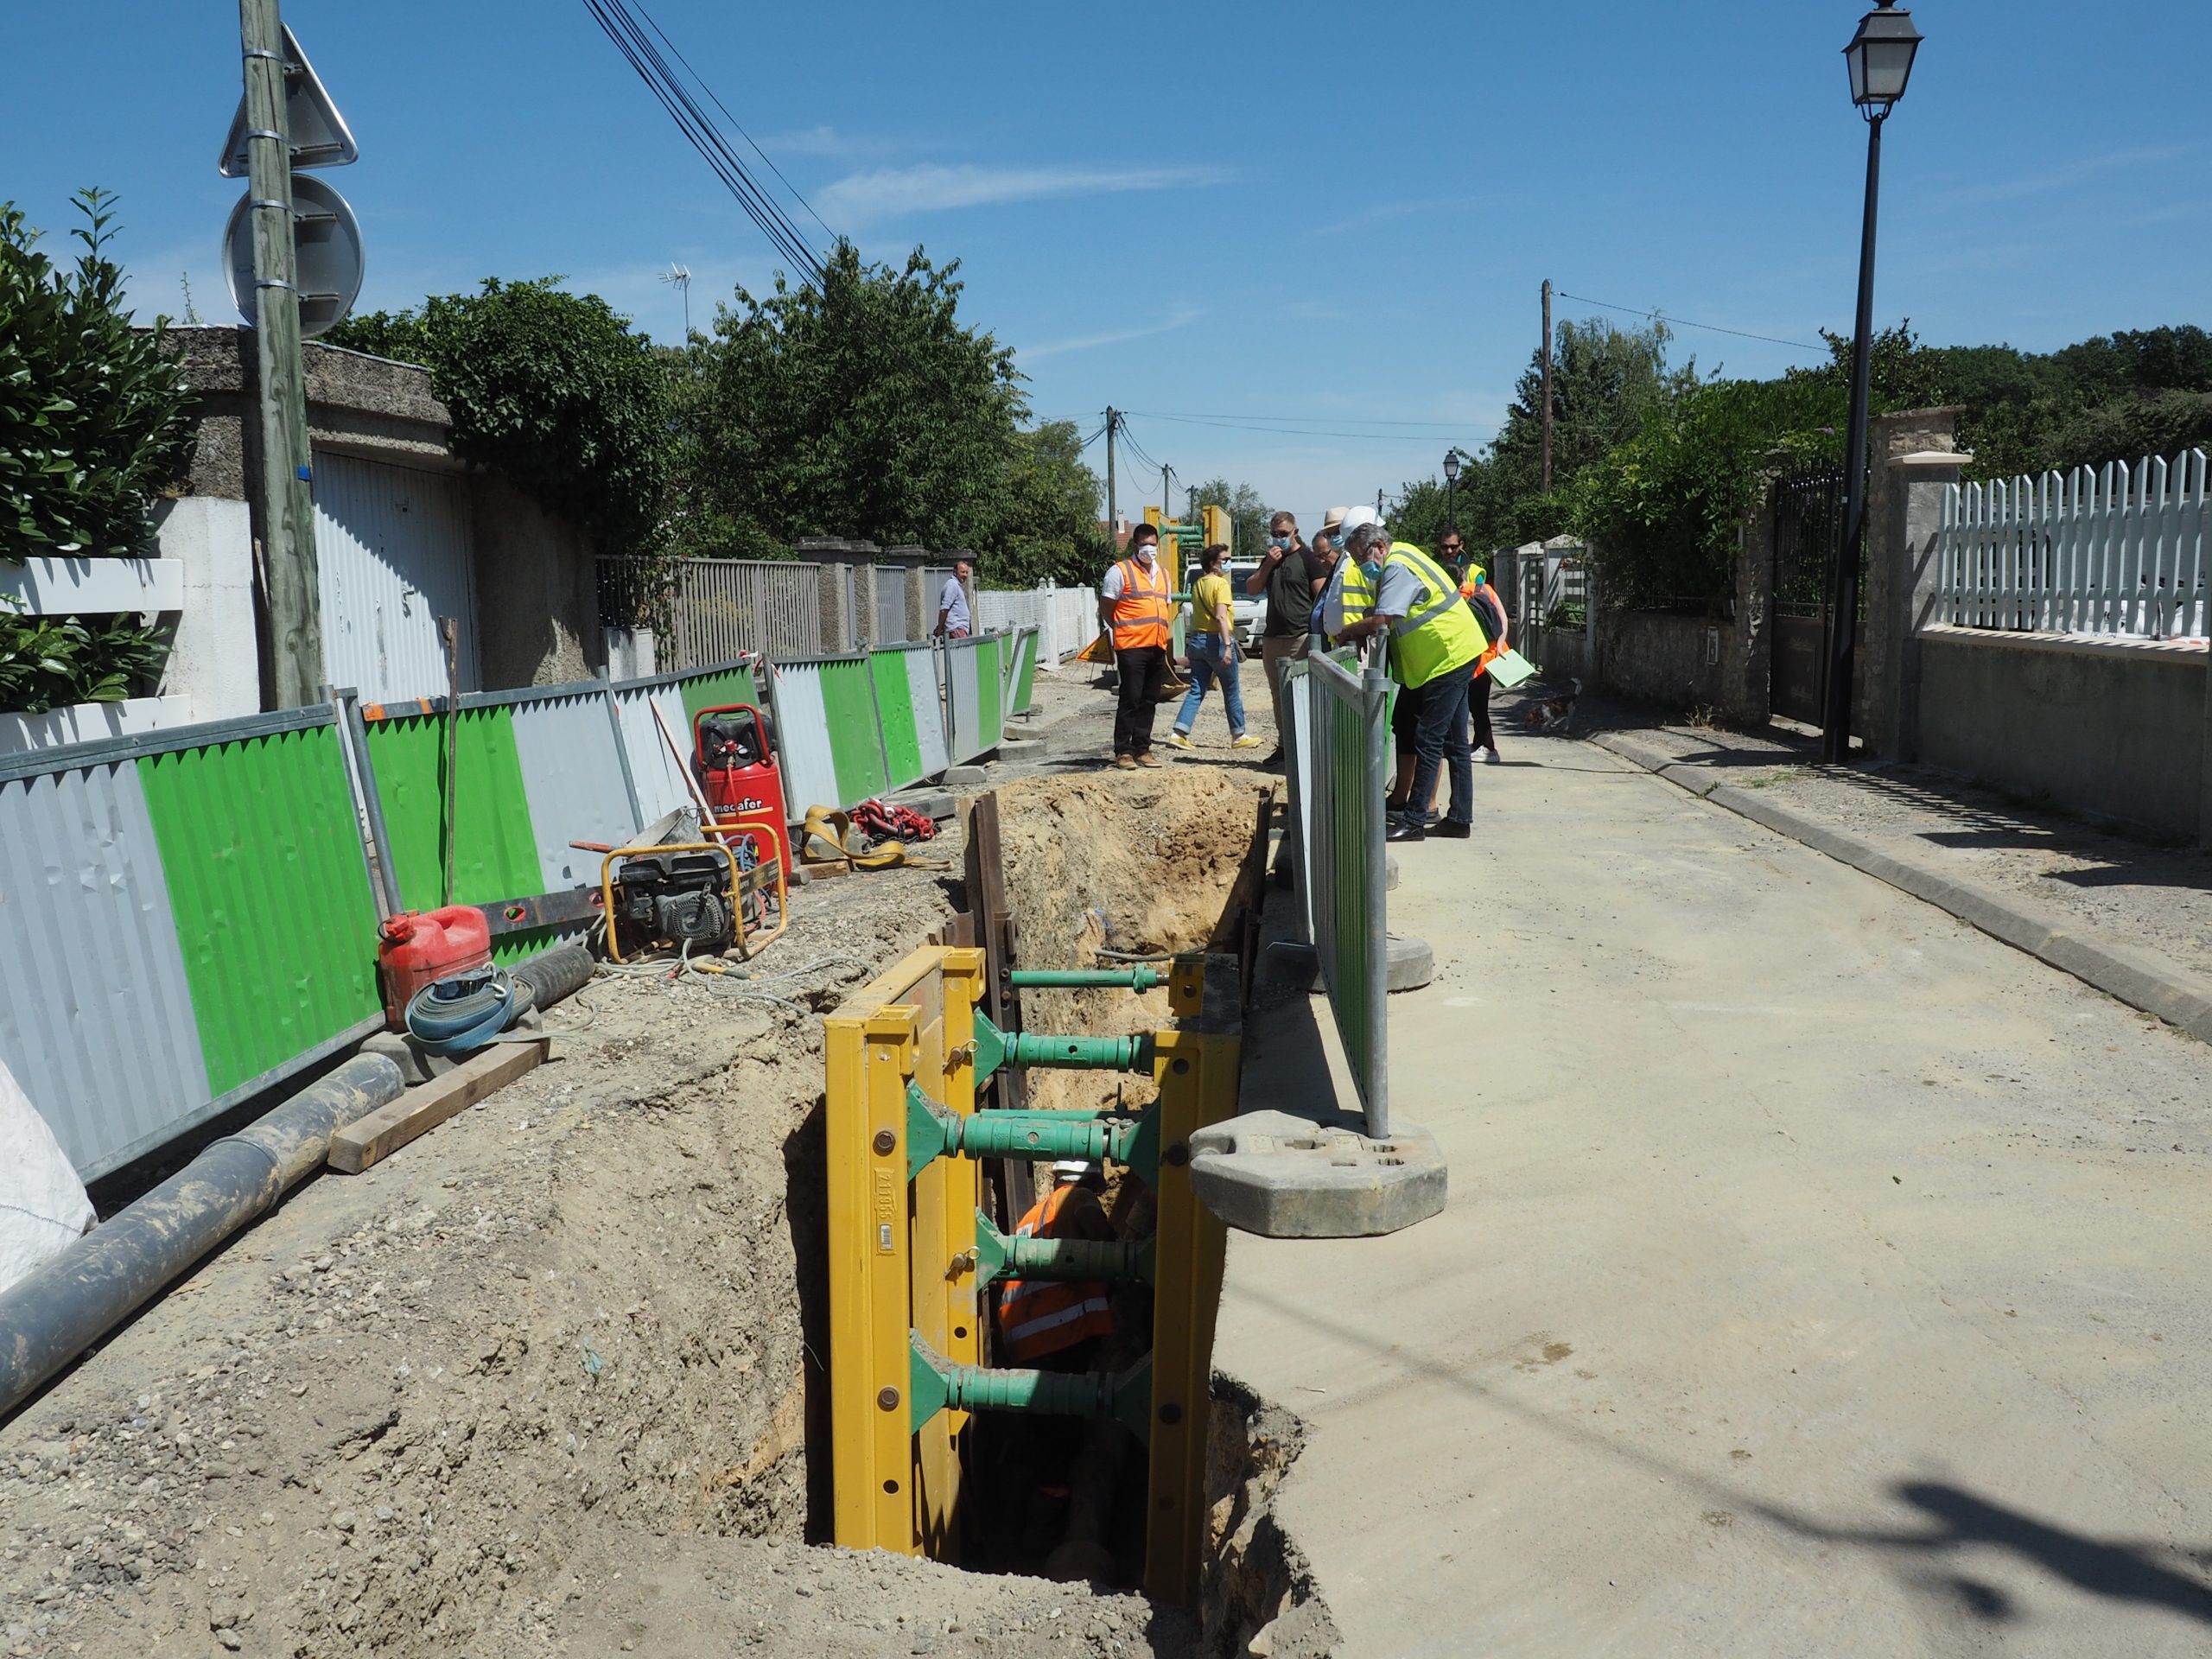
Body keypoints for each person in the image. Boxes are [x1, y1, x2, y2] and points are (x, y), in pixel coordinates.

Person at [1335, 521, 1488, 842]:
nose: (1362, 566)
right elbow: (1389, 609)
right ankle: (1459, 819)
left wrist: (1349, 630)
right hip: (1457, 652)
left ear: (1377, 546)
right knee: (1455, 742)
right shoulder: (1404, 553)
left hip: (1446, 657)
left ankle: (1415, 820)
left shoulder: (1397, 566)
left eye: (1361, 558)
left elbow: (1384, 618)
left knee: (1429, 739)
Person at [1166, 543, 1260, 752]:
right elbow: (1220, 616)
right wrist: (1227, 646)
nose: (1228, 563)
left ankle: (1178, 733)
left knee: (1197, 689)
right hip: (1216, 641)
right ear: (1213, 564)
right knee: (1232, 689)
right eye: (1224, 559)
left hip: (1197, 641)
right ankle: (1238, 734)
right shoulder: (1221, 585)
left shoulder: (1199, 583)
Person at [1244, 510, 1319, 761]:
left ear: (1295, 532)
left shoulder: (1308, 559)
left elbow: (1320, 596)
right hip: (1273, 637)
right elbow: (1253, 588)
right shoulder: (1270, 560)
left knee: (1301, 694)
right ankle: (1285, 746)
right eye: (1275, 535)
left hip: (1300, 637)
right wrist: (1268, 564)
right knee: (1278, 696)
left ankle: (1305, 748)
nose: (1279, 539)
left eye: (1284, 534)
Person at [1098, 525, 1173, 769]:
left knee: (1150, 699)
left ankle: (1143, 748)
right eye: (1144, 545)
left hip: (1157, 645)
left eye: (1153, 544)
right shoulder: (1119, 572)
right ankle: (1124, 751)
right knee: (1130, 698)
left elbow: (1165, 607)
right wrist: (1120, 627)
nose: (1149, 549)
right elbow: (1107, 606)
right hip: (1131, 646)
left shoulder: (1163, 574)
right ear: (1135, 546)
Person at [1442, 531, 1509, 764]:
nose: (1449, 551)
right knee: (1479, 704)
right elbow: (1503, 618)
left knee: (1475, 706)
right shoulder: (1485, 589)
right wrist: (1500, 645)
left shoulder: (1456, 598)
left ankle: (1489, 748)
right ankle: (1480, 744)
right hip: (1490, 654)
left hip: (1471, 658)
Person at [934, 559, 972, 639]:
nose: (965, 575)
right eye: (962, 572)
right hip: (956, 628)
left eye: (966, 572)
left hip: (960, 628)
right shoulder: (952, 585)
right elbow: (944, 609)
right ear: (955, 572)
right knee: (963, 651)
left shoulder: (957, 585)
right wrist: (940, 628)